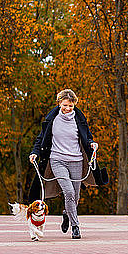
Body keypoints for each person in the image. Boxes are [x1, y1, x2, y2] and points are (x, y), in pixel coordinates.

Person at [28, 89, 104, 239]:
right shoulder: (52, 119)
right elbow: (41, 138)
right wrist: (34, 152)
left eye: (70, 105)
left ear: (74, 104)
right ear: (59, 103)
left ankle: (67, 213)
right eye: (64, 105)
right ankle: (75, 227)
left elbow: (87, 137)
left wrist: (92, 144)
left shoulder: (79, 120)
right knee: (68, 192)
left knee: (75, 196)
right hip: (57, 160)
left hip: (76, 160)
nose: (67, 108)